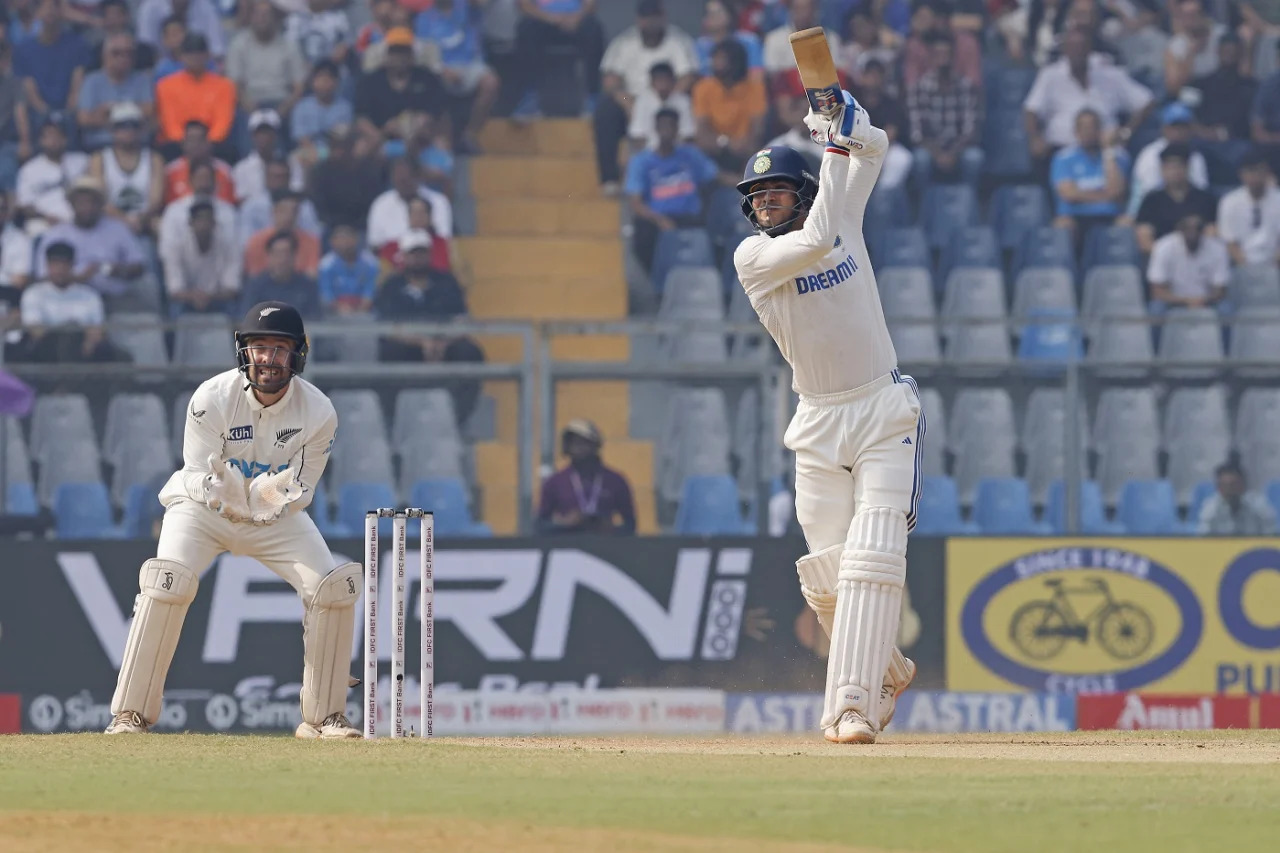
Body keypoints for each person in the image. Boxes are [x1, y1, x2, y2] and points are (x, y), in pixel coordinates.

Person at [732, 93, 920, 744]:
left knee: (871, 557)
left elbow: (875, 149)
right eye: (758, 197)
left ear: (805, 190)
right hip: (816, 420)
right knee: (826, 576)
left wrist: (849, 119)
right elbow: (815, 240)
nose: (766, 205)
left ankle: (849, 709)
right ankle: (888, 668)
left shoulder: (841, 212)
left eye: (779, 193)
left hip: (881, 409)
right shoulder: (753, 259)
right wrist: (833, 144)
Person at [104, 301, 360, 739]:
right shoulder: (211, 398)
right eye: (259, 348)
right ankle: (130, 715)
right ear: (244, 352)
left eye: (279, 349)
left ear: (298, 354)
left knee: (331, 588)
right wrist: (223, 494)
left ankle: (324, 717)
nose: (268, 359)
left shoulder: (319, 413)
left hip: (274, 518)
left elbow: (301, 486)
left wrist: (261, 498)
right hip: (203, 511)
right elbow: (200, 472)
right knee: (169, 582)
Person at [375, 229, 485, 423]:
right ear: (404, 256)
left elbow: (462, 320)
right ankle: (392, 421)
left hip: (444, 344)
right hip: (407, 346)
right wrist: (421, 342)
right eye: (413, 253)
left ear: (430, 254)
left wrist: (443, 342)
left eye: (422, 252)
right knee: (388, 353)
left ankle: (459, 418)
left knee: (470, 353)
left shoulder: (447, 282)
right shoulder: (392, 285)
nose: (417, 258)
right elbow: (387, 327)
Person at [595, 0, 697, 194]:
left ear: (663, 17)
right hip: (630, 101)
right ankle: (610, 179)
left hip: (668, 97)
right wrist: (628, 103)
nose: (650, 22)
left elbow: (689, 75)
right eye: (645, 17)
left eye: (654, 17)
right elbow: (610, 79)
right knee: (605, 108)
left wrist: (664, 99)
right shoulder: (624, 42)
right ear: (638, 19)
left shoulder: (678, 40)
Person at [37, 175, 154, 310]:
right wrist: (75, 279)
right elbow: (41, 278)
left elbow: (139, 266)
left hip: (115, 300)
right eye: (81, 202)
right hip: (69, 303)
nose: (87, 207)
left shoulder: (117, 229)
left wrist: (113, 270)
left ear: (101, 205)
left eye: (92, 202)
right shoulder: (56, 234)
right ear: (71, 204)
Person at [626, 107, 719, 273]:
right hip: (657, 220)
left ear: (677, 129)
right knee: (642, 233)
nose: (666, 131)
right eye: (663, 126)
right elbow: (636, 203)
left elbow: (716, 176)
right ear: (656, 128)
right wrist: (659, 220)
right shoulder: (641, 161)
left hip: (689, 218)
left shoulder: (690, 155)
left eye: (671, 126)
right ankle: (656, 287)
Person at [16, 239, 125, 362]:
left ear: (72, 265)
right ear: (47, 265)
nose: (59, 270)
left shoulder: (89, 295)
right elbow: (35, 330)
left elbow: (97, 330)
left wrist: (87, 342)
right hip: (47, 351)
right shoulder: (34, 293)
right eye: (55, 264)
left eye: (64, 264)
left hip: (83, 352)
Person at [414, 0, 500, 152]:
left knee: (491, 82)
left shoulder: (469, 8)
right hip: (441, 69)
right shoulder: (424, 18)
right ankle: (442, 139)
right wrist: (442, 69)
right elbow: (424, 54)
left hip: (471, 65)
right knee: (430, 83)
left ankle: (471, 134)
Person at [535, 419, 637, 535]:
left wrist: (611, 528)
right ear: (567, 447)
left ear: (595, 445)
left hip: (606, 547)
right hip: (567, 547)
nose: (579, 448)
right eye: (575, 443)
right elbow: (539, 525)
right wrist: (565, 523)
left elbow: (631, 524)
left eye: (584, 443)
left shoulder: (615, 481)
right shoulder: (555, 482)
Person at [905, 31, 981, 186]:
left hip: (958, 148)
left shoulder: (965, 87)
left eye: (946, 54)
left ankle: (965, 202)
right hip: (931, 148)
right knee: (920, 160)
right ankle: (924, 206)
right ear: (930, 58)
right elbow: (917, 133)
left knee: (974, 158)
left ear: (953, 58)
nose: (942, 59)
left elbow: (970, 130)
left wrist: (952, 153)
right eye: (938, 54)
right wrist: (938, 154)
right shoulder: (919, 88)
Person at [1050, 108, 1130, 243]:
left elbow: (1117, 191)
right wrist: (1106, 195)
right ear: (1076, 131)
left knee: (1126, 223)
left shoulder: (1118, 156)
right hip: (1075, 216)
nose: (1088, 132)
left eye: (1093, 127)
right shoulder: (1063, 158)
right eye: (1084, 127)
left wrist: (1108, 151)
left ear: (1100, 130)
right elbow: (1069, 194)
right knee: (1062, 225)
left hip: (1109, 216)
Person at [86, 102, 166, 236]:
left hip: (145, 221)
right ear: (112, 130)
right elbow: (100, 199)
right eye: (122, 126)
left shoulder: (154, 159)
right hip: (109, 220)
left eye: (133, 126)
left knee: (164, 227)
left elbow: (155, 201)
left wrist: (140, 219)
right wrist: (125, 220)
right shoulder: (99, 159)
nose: (128, 131)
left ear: (141, 129)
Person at [154, 33, 236, 153]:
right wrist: (189, 145)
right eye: (190, 54)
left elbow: (222, 123)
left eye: (199, 53)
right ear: (181, 56)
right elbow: (170, 124)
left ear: (207, 55)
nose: (195, 58)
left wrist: (205, 144)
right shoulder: (165, 86)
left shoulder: (224, 86)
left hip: (212, 145)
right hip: (177, 145)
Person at [693, 38, 767, 170]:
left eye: (720, 59)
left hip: (746, 152)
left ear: (735, 62)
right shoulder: (703, 88)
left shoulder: (755, 88)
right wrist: (725, 142)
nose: (714, 63)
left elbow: (757, 130)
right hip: (715, 151)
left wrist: (740, 145)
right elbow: (702, 132)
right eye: (714, 58)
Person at [13, 0, 89, 127]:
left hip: (70, 114)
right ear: (36, 12)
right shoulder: (23, 49)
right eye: (44, 6)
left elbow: (77, 86)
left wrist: (66, 115)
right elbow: (29, 89)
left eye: (55, 5)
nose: (50, 10)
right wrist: (48, 115)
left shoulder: (78, 44)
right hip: (38, 116)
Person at [226, 0, 308, 117]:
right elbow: (234, 84)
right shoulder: (238, 44)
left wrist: (283, 110)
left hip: (282, 103)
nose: (262, 18)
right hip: (250, 103)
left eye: (266, 14)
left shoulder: (289, 45)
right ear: (251, 17)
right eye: (258, 14)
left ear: (275, 18)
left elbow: (299, 86)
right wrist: (251, 109)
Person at [1127, 102, 1209, 218]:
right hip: (1146, 212)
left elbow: (1200, 191)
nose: (1179, 132)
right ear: (1164, 129)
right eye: (1174, 127)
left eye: (1183, 127)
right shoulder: (1150, 154)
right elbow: (1151, 194)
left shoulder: (1196, 156)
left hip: (1185, 214)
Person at [161, 198, 241, 315]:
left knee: (234, 308)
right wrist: (194, 296)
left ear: (214, 223)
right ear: (190, 223)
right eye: (199, 219)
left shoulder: (229, 246)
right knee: (174, 309)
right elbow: (174, 289)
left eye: (208, 219)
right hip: (186, 300)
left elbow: (232, 289)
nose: (204, 224)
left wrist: (208, 297)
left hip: (217, 299)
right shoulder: (176, 247)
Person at [76, 31, 153, 151]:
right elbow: (84, 119)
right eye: (116, 53)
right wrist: (131, 113)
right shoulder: (91, 81)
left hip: (138, 147)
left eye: (128, 53)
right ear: (104, 56)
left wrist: (108, 111)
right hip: (100, 146)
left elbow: (149, 112)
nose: (123, 58)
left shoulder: (143, 79)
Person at [1133, 143, 1217, 252]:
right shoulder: (1151, 201)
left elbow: (1212, 233)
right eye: (1169, 167)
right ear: (1162, 169)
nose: (1174, 172)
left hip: (1199, 259)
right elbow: (1144, 239)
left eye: (1179, 166)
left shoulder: (1206, 199)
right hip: (1162, 261)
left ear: (1187, 167)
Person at [14, 116, 86, 229]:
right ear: (41, 141)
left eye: (58, 135)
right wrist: (45, 217)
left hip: (83, 221)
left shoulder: (82, 161)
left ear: (65, 139)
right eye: (49, 136)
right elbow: (25, 205)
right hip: (45, 223)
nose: (54, 140)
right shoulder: (29, 170)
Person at [1147, 212, 1229, 309]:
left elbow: (1220, 290)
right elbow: (1157, 291)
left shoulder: (1217, 249)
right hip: (1172, 301)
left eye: (1196, 229)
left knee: (1226, 309)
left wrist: (1203, 300)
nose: (1192, 233)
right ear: (1180, 230)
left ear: (1203, 231)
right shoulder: (1163, 247)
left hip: (1207, 300)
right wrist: (1186, 301)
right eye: (1188, 229)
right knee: (1156, 308)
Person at [1218, 148, 1280, 266]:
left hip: (1275, 265)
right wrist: (1247, 268)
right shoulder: (1229, 202)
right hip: (1242, 265)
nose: (1255, 176)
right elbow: (1230, 242)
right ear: (1241, 174)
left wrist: (1274, 267)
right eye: (1250, 171)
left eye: (1259, 171)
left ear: (1267, 172)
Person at [240, 233, 322, 319]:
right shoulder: (255, 285)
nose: (283, 259)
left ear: (295, 256)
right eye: (278, 254)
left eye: (287, 253)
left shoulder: (308, 286)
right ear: (269, 257)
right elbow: (247, 318)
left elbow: (315, 319)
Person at [244, 192, 321, 277]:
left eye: (294, 211)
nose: (289, 216)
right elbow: (255, 274)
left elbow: (312, 275)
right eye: (283, 211)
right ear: (273, 212)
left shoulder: (311, 242)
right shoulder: (256, 241)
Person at [162, 120, 236, 205]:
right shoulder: (170, 173)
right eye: (191, 140)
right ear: (183, 143)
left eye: (200, 139)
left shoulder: (225, 172)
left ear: (209, 143)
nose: (195, 144)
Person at [628, 61, 694, 151]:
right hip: (650, 153)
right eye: (659, 81)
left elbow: (688, 135)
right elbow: (637, 136)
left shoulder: (684, 101)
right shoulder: (642, 102)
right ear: (651, 83)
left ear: (673, 81)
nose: (663, 85)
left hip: (677, 152)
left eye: (666, 80)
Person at [1198, 460, 1277, 535]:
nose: (1229, 490)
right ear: (1218, 488)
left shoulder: (1260, 507)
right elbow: (1203, 540)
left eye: (1233, 485)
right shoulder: (1210, 510)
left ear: (1243, 486)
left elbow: (1271, 538)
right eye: (1225, 485)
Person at [290, 60, 353, 149]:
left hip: (336, 150)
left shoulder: (344, 107)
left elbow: (343, 134)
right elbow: (300, 137)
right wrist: (315, 152)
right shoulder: (302, 106)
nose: (324, 82)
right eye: (320, 77)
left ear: (337, 82)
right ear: (313, 81)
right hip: (309, 151)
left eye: (329, 78)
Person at [318, 223, 378, 315]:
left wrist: (359, 311)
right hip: (333, 316)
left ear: (356, 240)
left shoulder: (370, 263)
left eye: (347, 238)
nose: (344, 243)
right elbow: (327, 296)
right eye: (340, 238)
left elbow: (369, 294)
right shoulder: (325, 265)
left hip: (365, 314)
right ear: (332, 242)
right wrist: (341, 309)